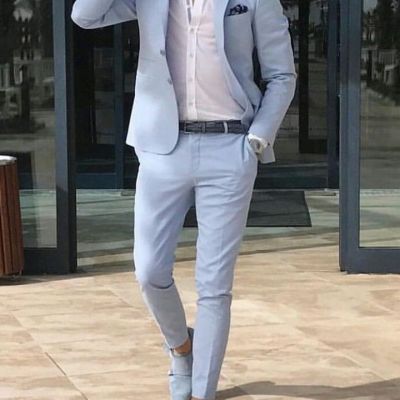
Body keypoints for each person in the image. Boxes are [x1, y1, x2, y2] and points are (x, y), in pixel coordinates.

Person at [71, 1, 296, 399]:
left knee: (214, 285)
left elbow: (282, 75)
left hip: (230, 147)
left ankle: (202, 391)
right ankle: (181, 347)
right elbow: (84, 16)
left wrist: (257, 139)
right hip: (163, 148)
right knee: (149, 270)